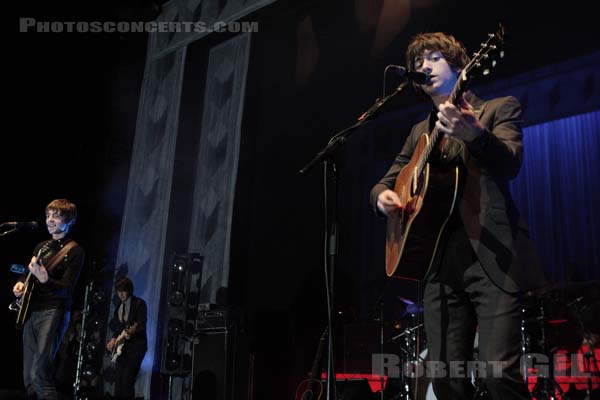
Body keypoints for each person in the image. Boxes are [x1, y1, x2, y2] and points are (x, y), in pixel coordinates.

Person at [370, 32, 544, 400]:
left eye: (433, 58)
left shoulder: (498, 109)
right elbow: (386, 182)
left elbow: (510, 163)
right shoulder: (419, 133)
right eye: (418, 64)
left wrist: (476, 135)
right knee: (447, 382)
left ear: (461, 66)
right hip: (438, 267)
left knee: (499, 375)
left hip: (491, 258)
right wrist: (383, 197)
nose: (424, 67)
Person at [12, 198, 85, 399]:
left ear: (68, 221)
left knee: (39, 373)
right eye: (48, 215)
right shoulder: (41, 247)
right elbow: (28, 274)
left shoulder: (75, 250)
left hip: (54, 310)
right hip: (32, 310)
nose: (50, 220)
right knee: (28, 377)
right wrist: (20, 283)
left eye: (56, 216)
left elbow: (67, 289)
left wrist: (46, 279)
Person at [106, 276, 147, 400]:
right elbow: (119, 328)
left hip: (136, 347)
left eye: (123, 290)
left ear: (129, 290)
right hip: (123, 349)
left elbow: (141, 324)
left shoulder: (139, 303)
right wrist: (113, 340)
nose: (121, 294)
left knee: (127, 380)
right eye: (119, 291)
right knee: (118, 382)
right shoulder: (119, 307)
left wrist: (132, 331)